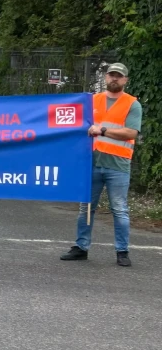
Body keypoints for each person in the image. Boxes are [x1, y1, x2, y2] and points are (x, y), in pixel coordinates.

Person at [61, 62, 141, 267]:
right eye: (111, 75)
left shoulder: (132, 104)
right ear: (106, 77)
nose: (114, 78)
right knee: (86, 208)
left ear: (125, 80)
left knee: (120, 209)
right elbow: (76, 124)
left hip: (118, 164)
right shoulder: (92, 100)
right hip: (92, 162)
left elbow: (131, 133)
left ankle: (122, 251)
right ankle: (81, 247)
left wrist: (102, 130)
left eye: (119, 76)